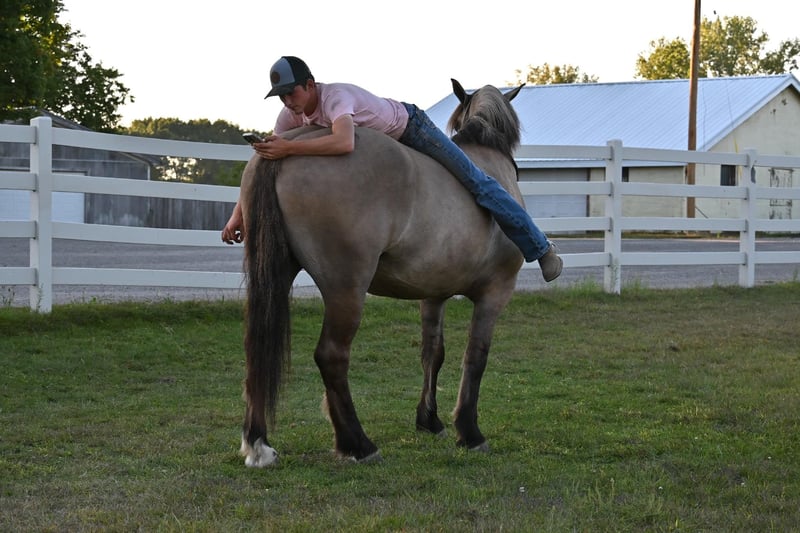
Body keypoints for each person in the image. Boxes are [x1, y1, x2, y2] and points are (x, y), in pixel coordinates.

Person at [222, 56, 562, 282]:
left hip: (411, 128)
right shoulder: (290, 116)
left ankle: (539, 247)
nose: (287, 101)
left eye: (291, 93)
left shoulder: (335, 98)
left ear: (310, 85)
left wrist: (289, 148)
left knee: (475, 180)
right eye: (281, 96)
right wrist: (239, 215)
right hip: (383, 147)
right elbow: (268, 160)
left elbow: (344, 142)